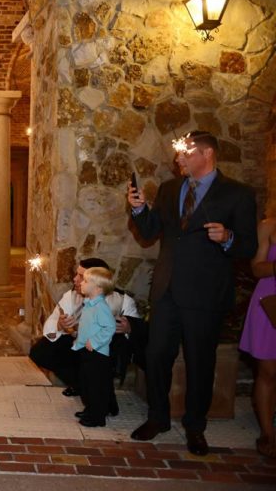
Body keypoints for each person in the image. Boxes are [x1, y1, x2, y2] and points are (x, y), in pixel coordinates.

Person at [127, 130, 257, 455]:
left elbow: (248, 246)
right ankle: (157, 418)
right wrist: (140, 210)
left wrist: (227, 237)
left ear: (207, 153)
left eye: (185, 154)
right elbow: (152, 232)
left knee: (200, 361)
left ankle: (195, 426)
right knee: (156, 355)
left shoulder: (237, 194)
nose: (178, 160)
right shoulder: (171, 189)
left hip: (205, 293)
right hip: (167, 288)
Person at [29, 258, 145, 411]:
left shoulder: (122, 301)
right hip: (79, 344)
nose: (75, 279)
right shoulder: (71, 296)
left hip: (104, 351)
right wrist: (60, 325)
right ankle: (80, 385)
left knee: (98, 362)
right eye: (76, 274)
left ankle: (101, 402)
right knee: (41, 350)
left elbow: (134, 330)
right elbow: (52, 323)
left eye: (81, 277)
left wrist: (129, 327)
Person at [239, 217, 276, 458]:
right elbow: (256, 267)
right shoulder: (268, 225)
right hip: (270, 302)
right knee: (268, 371)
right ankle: (267, 432)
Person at [72, 267, 117, 427]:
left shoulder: (100, 307)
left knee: (96, 386)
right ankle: (90, 409)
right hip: (87, 350)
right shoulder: (90, 304)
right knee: (86, 383)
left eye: (85, 281)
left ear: (97, 288)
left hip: (97, 354)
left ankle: (97, 417)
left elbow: (110, 327)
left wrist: (96, 341)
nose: (81, 283)